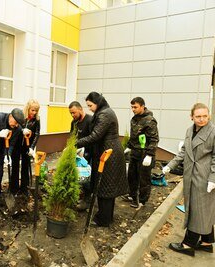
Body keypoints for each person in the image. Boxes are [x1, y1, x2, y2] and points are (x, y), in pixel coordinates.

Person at [163, 103, 215, 256]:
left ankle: (188, 244)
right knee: (203, 210)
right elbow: (184, 151)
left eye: (205, 116)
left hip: (205, 179)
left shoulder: (213, 132)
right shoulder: (189, 130)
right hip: (191, 175)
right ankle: (207, 242)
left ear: (209, 115)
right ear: (191, 116)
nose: (201, 119)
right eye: (198, 116)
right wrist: (170, 166)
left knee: (196, 211)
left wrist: (213, 179)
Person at [76, 92, 128, 227]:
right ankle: (105, 216)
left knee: (105, 186)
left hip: (109, 154)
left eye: (90, 105)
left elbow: (96, 135)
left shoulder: (105, 114)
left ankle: (103, 219)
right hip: (107, 152)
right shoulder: (104, 111)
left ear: (97, 103)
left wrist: (77, 144)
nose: (90, 109)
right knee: (106, 186)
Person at [123, 97, 159, 208]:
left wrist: (149, 155)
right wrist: (129, 146)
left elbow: (154, 139)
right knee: (132, 176)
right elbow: (134, 136)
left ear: (142, 106)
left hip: (145, 155)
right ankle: (132, 196)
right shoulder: (134, 119)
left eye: (135, 107)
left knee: (144, 179)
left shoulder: (149, 120)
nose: (133, 109)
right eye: (132, 107)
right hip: (135, 152)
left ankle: (142, 201)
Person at [10, 100, 41, 196]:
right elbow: (14, 128)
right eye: (32, 110)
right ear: (28, 108)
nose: (34, 112)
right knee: (15, 166)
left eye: (36, 110)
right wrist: (22, 130)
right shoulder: (21, 117)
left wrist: (32, 147)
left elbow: (36, 134)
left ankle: (24, 187)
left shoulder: (37, 119)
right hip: (17, 145)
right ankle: (14, 188)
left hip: (27, 146)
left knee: (25, 166)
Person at [68, 101, 93, 210]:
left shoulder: (90, 120)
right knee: (77, 177)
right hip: (78, 154)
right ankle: (79, 197)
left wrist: (84, 149)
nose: (72, 115)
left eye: (74, 113)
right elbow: (72, 137)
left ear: (80, 109)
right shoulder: (74, 122)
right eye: (71, 113)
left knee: (86, 178)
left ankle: (87, 201)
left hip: (89, 153)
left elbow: (94, 137)